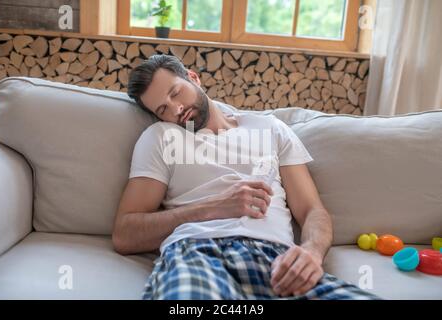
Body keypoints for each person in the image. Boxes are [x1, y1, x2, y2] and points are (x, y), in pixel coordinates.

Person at [112, 54, 380, 300]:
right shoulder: (160, 137)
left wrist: (311, 252)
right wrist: (213, 208)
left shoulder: (270, 128)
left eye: (176, 93)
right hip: (198, 253)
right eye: (162, 109)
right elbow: (125, 234)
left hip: (276, 257)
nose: (176, 109)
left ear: (193, 78)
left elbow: (312, 210)